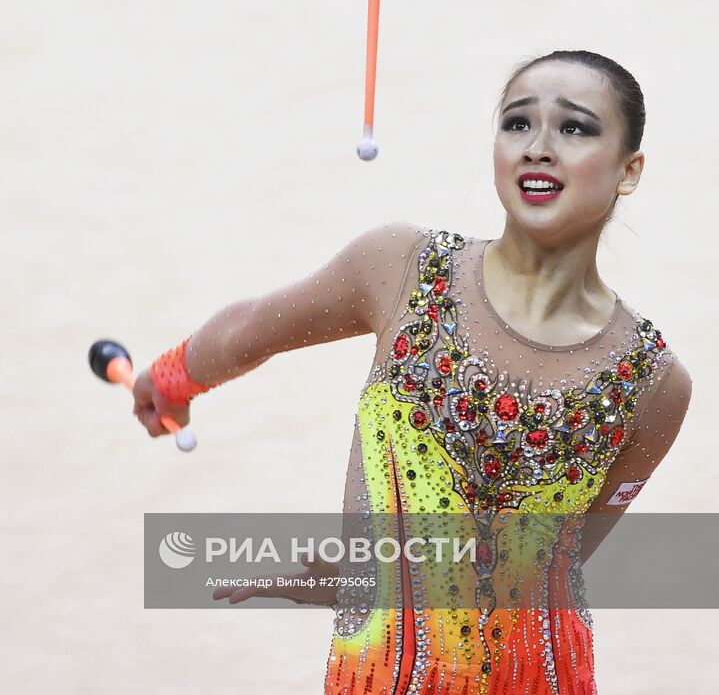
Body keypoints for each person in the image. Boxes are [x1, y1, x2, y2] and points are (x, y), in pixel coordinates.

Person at [133, 49, 692, 694]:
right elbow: (256, 327)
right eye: (517, 124)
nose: (538, 147)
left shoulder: (654, 384)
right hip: (382, 675)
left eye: (574, 128)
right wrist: (173, 377)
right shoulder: (402, 268)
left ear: (630, 170)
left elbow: (561, 561)